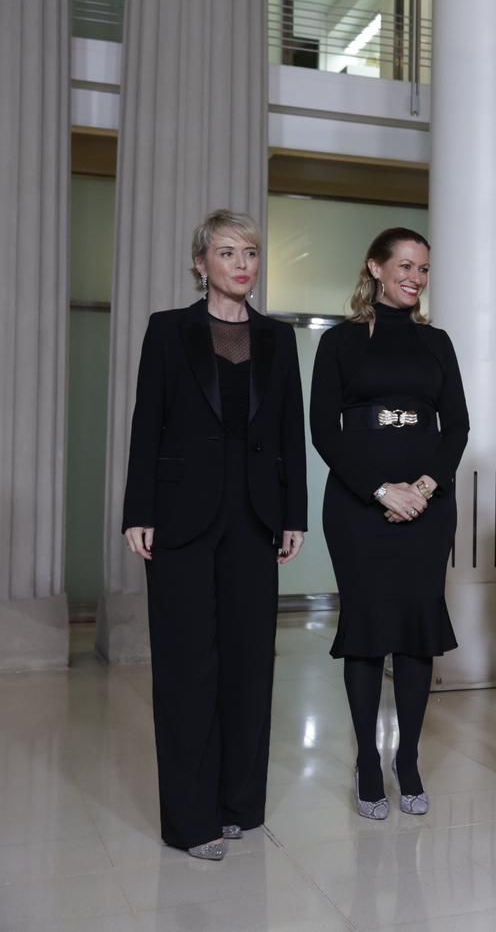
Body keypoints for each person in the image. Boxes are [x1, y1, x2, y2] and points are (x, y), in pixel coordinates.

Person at [121, 209, 307, 860]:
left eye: (250, 253)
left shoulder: (279, 339)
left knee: (250, 663)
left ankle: (238, 803)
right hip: (179, 516)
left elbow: (290, 432)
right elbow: (149, 423)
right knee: (186, 666)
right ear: (201, 263)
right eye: (227, 252)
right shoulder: (169, 331)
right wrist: (136, 510)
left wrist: (294, 516)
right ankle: (191, 820)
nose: (241, 264)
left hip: (256, 517)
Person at [310, 227, 467, 820]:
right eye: (404, 265)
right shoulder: (341, 342)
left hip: (428, 504)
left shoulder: (438, 343)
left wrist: (423, 488)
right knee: (369, 628)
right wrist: (380, 490)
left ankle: (409, 760)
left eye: (423, 269)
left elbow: (457, 427)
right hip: (357, 504)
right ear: (375, 267)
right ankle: (368, 763)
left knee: (417, 628)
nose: (415, 277)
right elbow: (325, 431)